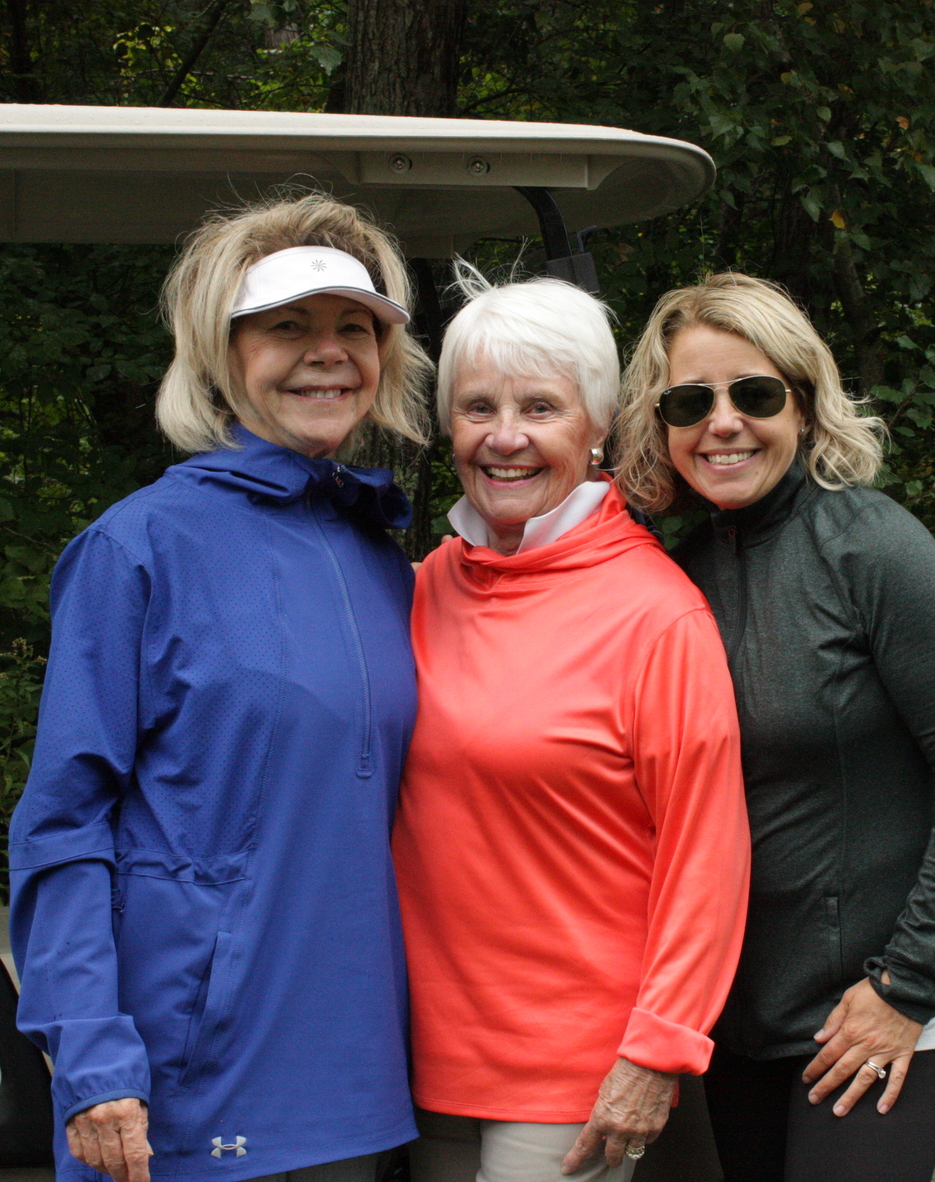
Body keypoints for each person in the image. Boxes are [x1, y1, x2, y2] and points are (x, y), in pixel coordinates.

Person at [8, 194, 432, 1182]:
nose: (327, 352)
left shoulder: (381, 557)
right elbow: (63, 821)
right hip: (182, 1081)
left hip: (359, 1084)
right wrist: (92, 1056)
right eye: (288, 326)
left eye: (354, 329)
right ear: (221, 353)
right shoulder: (138, 547)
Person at [613, 273, 935, 1182]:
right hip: (734, 1016)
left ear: (801, 406)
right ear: (660, 421)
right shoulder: (670, 576)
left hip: (870, 1010)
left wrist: (904, 986)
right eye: (691, 401)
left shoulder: (872, 548)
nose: (722, 422)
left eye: (753, 394)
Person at [390, 270, 752, 1182]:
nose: (504, 437)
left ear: (596, 429)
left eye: (540, 407)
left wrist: (658, 1048)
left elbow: (705, 859)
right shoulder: (427, 583)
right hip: (419, 1044)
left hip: (573, 1065)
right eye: (477, 407)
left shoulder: (655, 616)